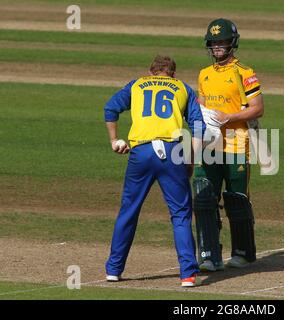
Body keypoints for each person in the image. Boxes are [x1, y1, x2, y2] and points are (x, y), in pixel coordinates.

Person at [103, 55, 204, 287]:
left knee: (129, 211)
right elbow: (198, 126)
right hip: (172, 151)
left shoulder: (137, 84)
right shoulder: (183, 88)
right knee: (180, 215)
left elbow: (110, 108)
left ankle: (114, 269)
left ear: (151, 72)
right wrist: (191, 160)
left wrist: (114, 140)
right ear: (173, 74)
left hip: (141, 151)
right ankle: (187, 274)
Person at [193, 18, 265, 271]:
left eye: (222, 41)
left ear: (232, 43)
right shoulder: (204, 74)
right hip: (208, 146)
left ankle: (243, 253)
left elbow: (258, 109)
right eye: (213, 43)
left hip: (236, 146)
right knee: (204, 198)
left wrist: (229, 117)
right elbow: (199, 107)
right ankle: (209, 256)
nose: (217, 47)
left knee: (236, 200)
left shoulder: (244, 73)